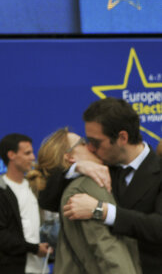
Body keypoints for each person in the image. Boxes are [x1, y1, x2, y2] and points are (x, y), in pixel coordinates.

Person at [59, 98, 162, 274]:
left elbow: (158, 227)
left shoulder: (158, 171)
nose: (90, 148)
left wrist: (102, 210)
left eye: (96, 142)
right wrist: (76, 167)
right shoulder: (98, 167)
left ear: (122, 138)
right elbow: (46, 198)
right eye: (87, 141)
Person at [27, 127, 140, 273]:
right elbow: (106, 246)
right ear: (69, 157)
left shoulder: (84, 181)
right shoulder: (87, 186)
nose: (92, 147)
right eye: (83, 143)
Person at [0, 134, 51, 274]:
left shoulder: (35, 186)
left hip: (41, 268)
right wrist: (33, 248)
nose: (33, 157)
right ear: (11, 155)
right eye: (27, 153)